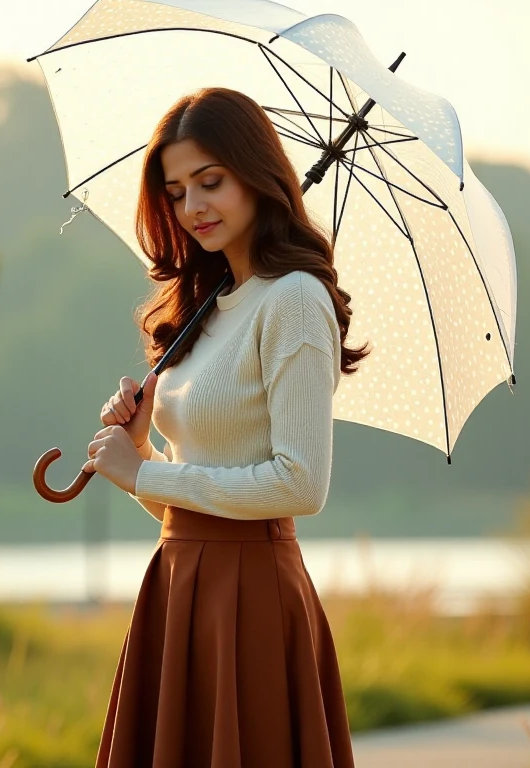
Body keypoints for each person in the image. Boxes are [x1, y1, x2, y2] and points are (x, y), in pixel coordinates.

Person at [82, 86, 370, 768]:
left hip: (252, 600)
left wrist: (146, 471)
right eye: (178, 191)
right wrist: (139, 452)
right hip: (180, 585)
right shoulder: (209, 306)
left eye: (210, 182)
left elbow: (301, 485)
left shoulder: (295, 300)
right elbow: (183, 504)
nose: (194, 208)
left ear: (257, 176)